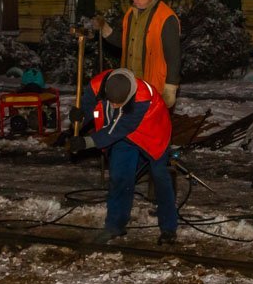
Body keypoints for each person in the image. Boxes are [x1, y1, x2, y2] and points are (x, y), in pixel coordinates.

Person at [68, 68, 178, 244]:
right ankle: (114, 226)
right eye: (111, 102)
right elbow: (89, 107)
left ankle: (169, 228)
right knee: (119, 177)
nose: (113, 107)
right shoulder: (97, 85)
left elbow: (115, 130)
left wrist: (85, 142)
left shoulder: (142, 97)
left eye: (118, 104)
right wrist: (79, 117)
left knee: (160, 176)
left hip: (153, 134)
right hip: (123, 137)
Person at [96, 0, 182, 109]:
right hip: (131, 83)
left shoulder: (166, 18)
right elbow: (125, 42)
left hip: (153, 85)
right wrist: (105, 29)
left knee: (151, 126)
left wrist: (171, 87)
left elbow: (174, 56)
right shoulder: (131, 14)